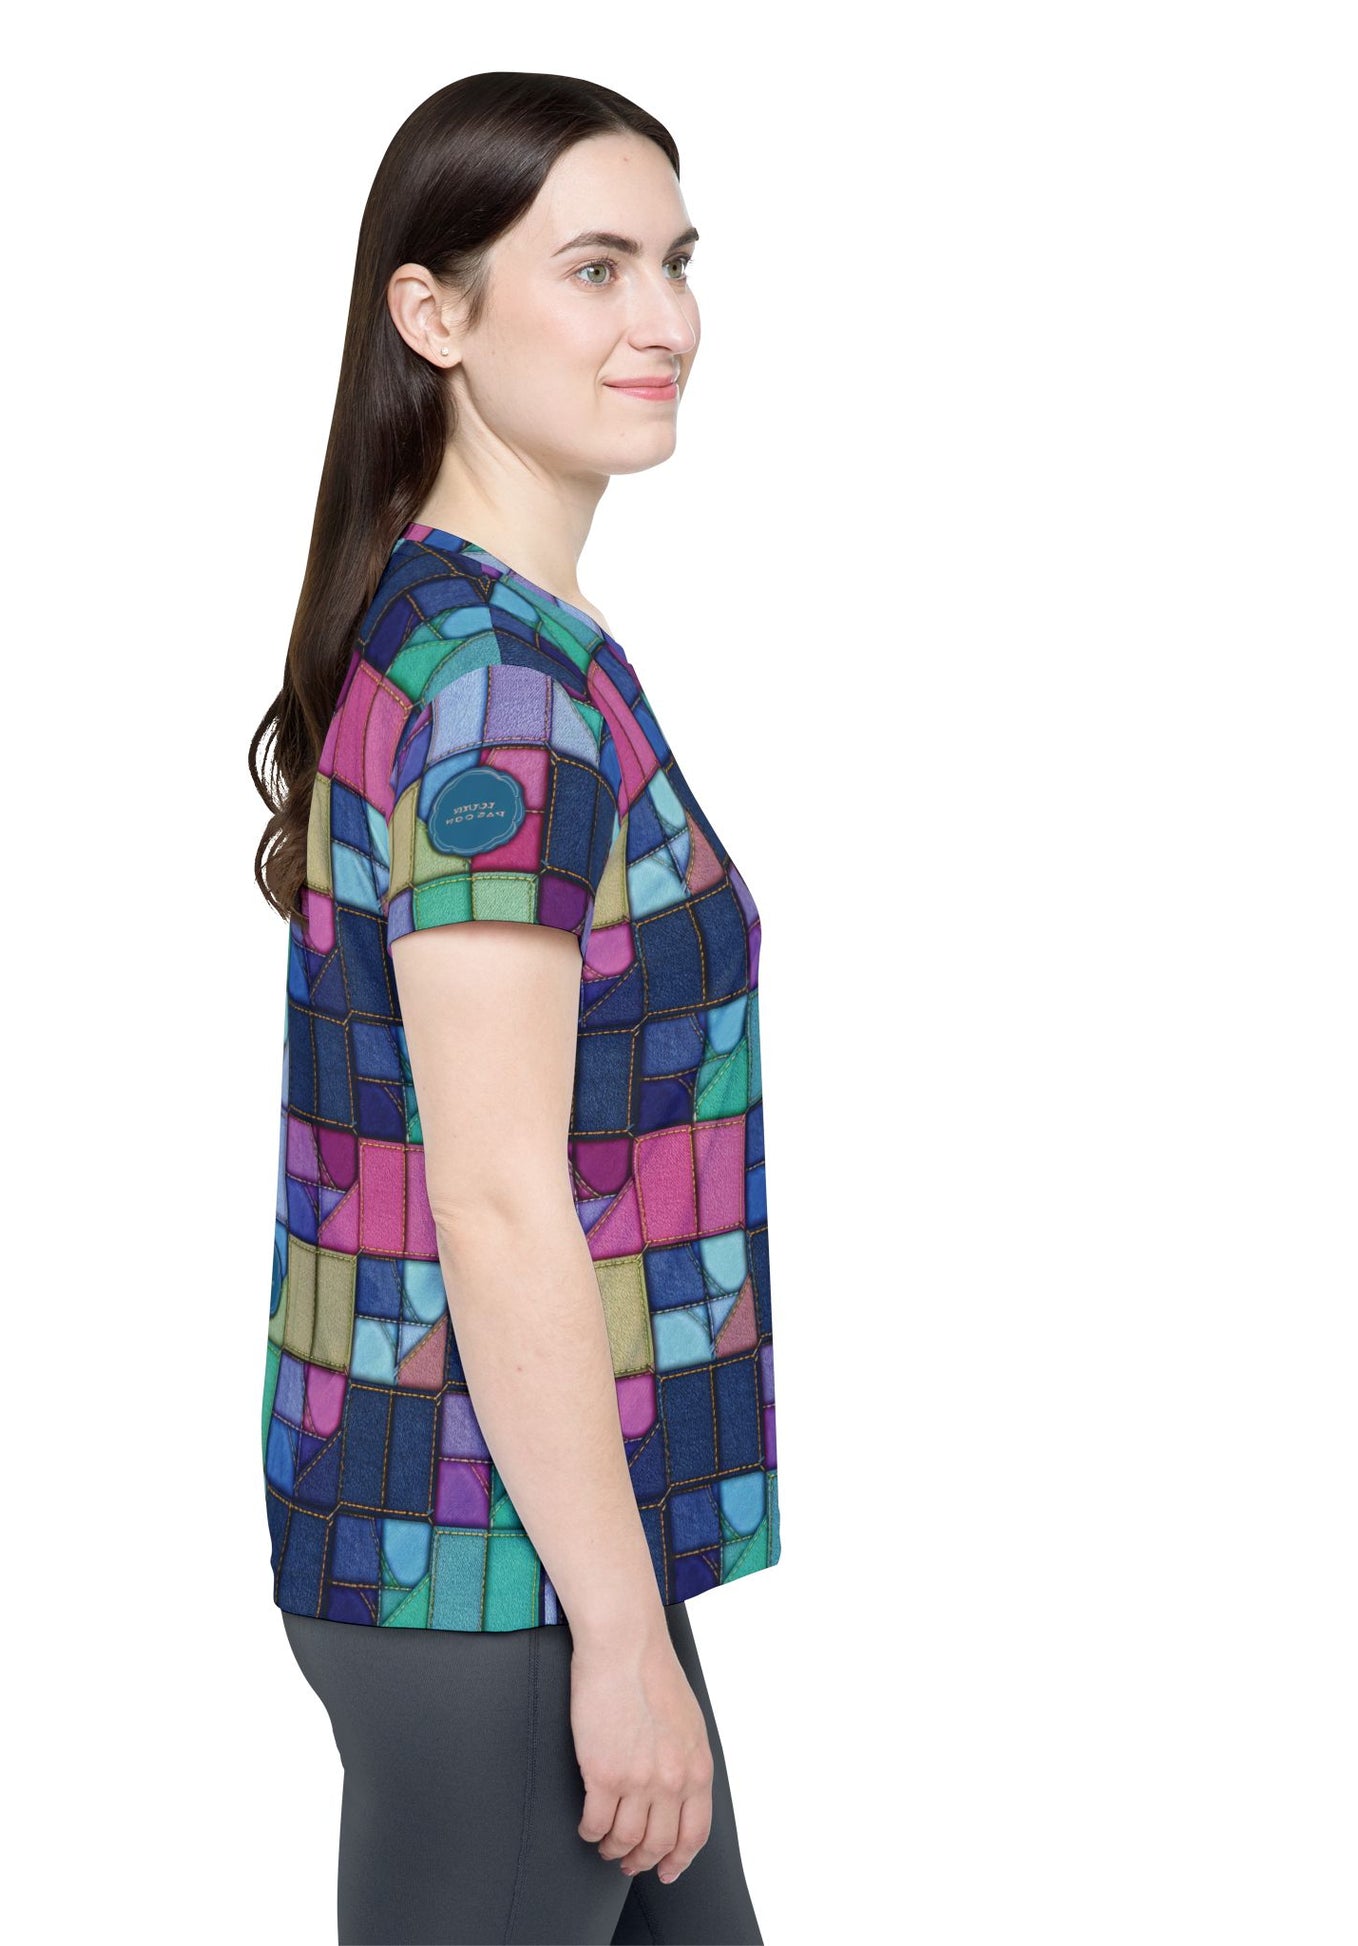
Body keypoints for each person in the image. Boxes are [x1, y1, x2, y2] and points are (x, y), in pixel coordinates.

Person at [249, 72, 779, 1946]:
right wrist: (617, 1637)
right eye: (595, 267)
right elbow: (492, 1194)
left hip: (541, 1535)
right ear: (435, 314)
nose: (664, 320)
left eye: (677, 263)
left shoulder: (485, 634)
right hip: (484, 1565)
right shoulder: (495, 691)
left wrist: (624, 1608)